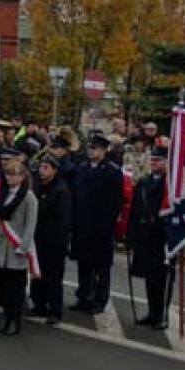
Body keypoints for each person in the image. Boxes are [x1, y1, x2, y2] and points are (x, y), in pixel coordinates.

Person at [70, 132, 124, 314]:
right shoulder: (83, 167)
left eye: (95, 148)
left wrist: (107, 225)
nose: (91, 151)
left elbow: (115, 201)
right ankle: (84, 296)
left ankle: (100, 300)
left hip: (101, 227)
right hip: (82, 225)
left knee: (101, 266)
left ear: (103, 150)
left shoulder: (112, 170)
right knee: (84, 264)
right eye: (90, 148)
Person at [125, 145, 172, 329]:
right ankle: (152, 312)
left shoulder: (170, 185)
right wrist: (130, 233)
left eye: (158, 160)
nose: (154, 163)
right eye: (152, 159)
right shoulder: (144, 182)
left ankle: (160, 314)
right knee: (148, 276)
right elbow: (135, 211)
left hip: (161, 236)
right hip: (145, 235)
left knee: (161, 278)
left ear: (167, 162)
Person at [0, 164, 38, 336]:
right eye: (8, 174)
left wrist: (23, 248)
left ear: (23, 177)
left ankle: (14, 321)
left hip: (17, 249)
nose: (10, 177)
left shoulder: (29, 197)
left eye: (13, 174)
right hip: (2, 247)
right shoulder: (3, 194)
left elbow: (30, 225)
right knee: (2, 286)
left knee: (15, 288)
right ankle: (5, 316)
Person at [29, 155, 72, 325]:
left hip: (53, 242)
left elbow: (63, 221)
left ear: (54, 170)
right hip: (37, 238)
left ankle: (55, 311)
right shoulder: (37, 186)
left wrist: (60, 243)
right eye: (41, 167)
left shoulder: (61, 190)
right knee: (37, 274)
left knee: (53, 278)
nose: (42, 170)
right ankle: (39, 305)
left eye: (46, 168)